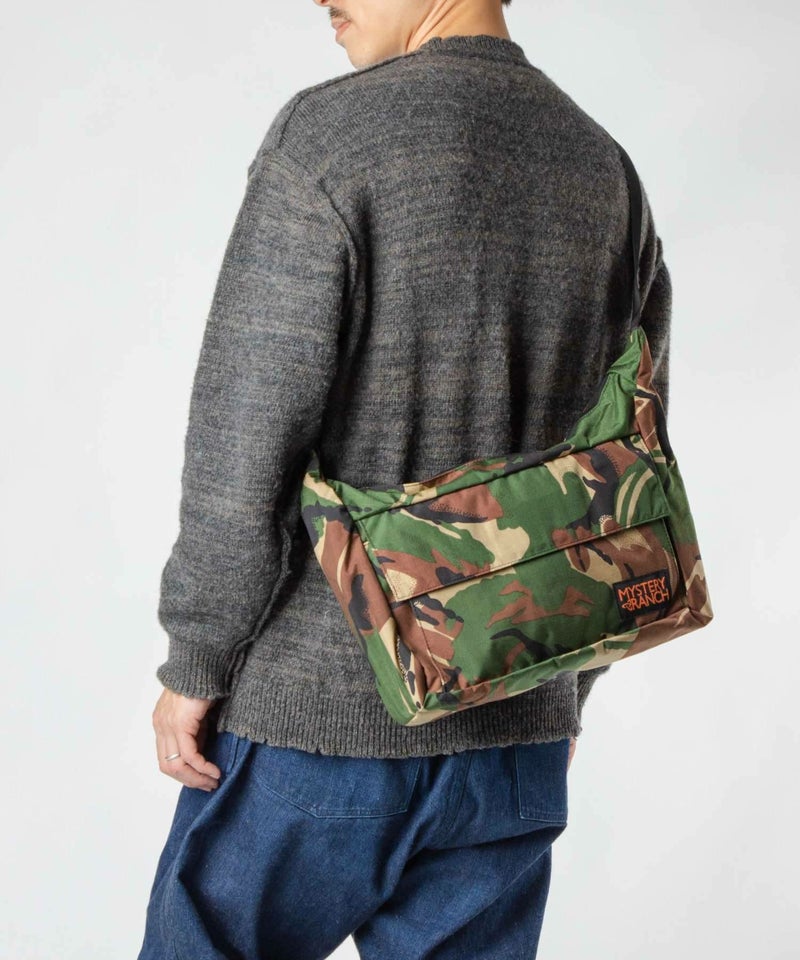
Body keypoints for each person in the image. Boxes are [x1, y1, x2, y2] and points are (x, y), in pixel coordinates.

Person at [138, 1, 671, 957]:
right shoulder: (605, 168)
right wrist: (567, 687)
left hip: (322, 718)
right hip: (514, 735)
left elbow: (244, 430)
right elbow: (630, 462)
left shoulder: (332, 139)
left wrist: (197, 660)